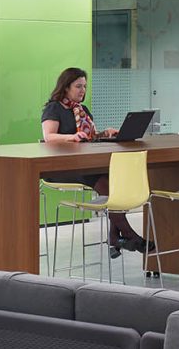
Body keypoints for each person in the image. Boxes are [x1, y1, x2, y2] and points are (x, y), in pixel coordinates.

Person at [39, 66, 146, 254]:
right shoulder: (54, 108)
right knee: (102, 180)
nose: (83, 90)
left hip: (82, 164)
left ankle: (115, 235)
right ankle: (128, 234)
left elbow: (89, 137)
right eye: (78, 86)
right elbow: (49, 137)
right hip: (61, 167)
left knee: (113, 179)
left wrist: (104, 133)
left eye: (84, 86)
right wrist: (71, 137)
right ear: (66, 87)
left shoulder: (82, 109)